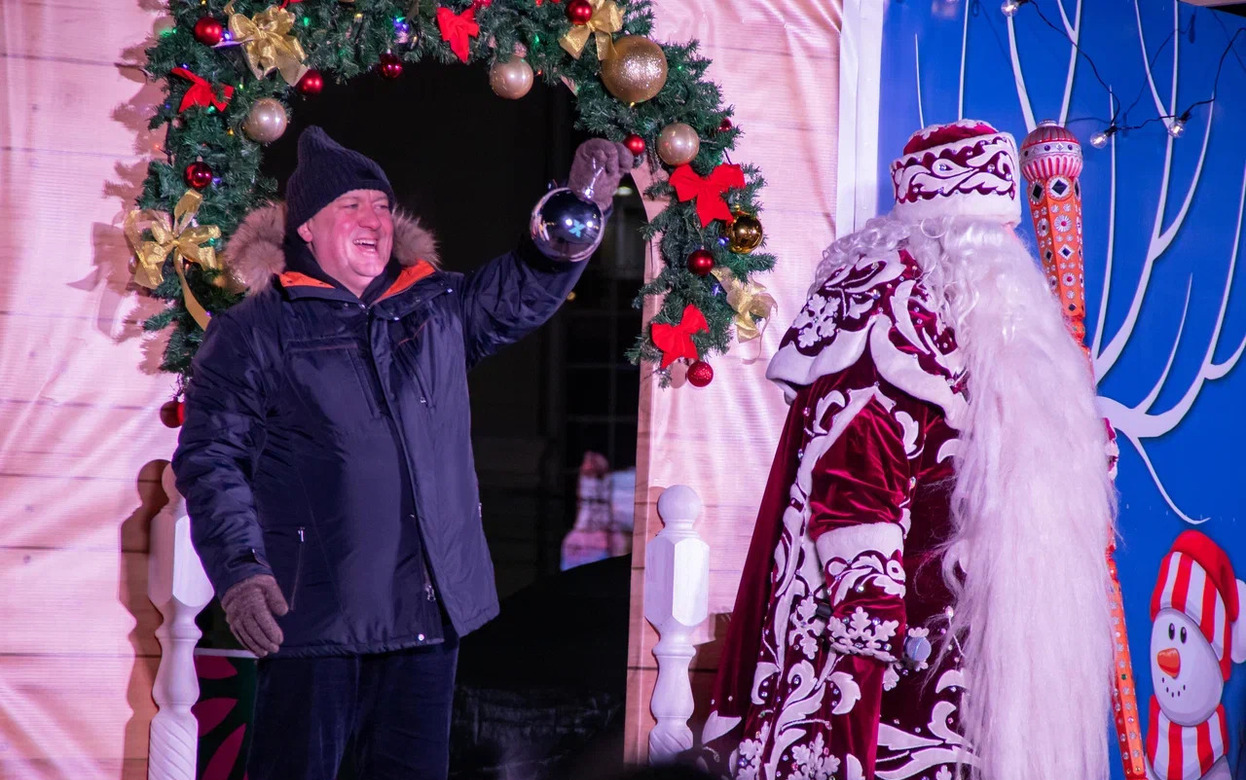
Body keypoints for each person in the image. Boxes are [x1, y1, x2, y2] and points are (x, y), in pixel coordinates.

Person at [173, 126, 633, 780]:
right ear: (307, 228)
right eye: (351, 206)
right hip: (316, 620)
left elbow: (521, 289)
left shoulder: (434, 307)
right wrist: (242, 570)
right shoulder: (255, 331)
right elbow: (211, 459)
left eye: (382, 205)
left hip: (426, 612)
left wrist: (581, 203)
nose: (373, 220)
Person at [699, 120, 1117, 780]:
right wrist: (864, 641)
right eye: (993, 238)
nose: (1006, 256)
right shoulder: (890, 307)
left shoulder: (1025, 345)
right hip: (911, 664)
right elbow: (855, 482)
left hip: (1001, 661)